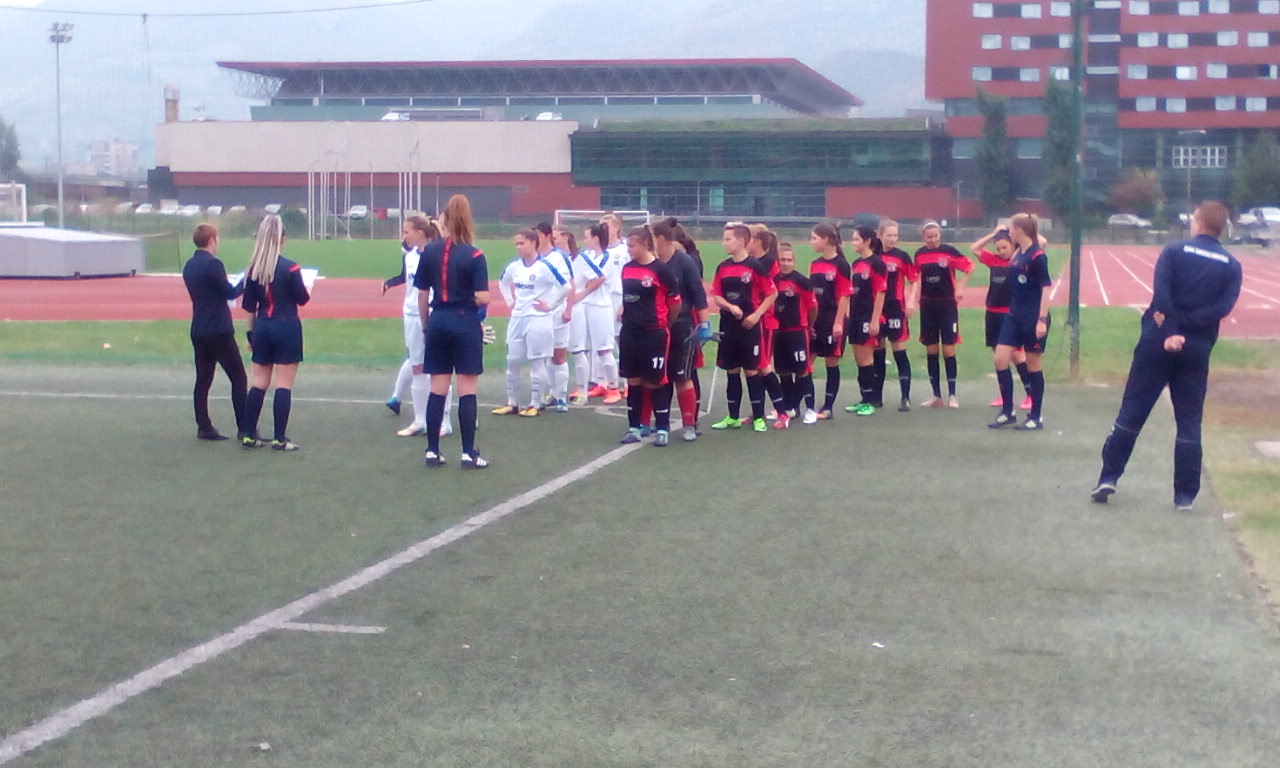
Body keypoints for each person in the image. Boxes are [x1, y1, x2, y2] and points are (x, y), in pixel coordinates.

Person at [1091, 201, 1242, 511]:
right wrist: (1189, 328)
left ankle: (1109, 476)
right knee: (1189, 422)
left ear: (1199, 222)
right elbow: (1222, 308)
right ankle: (1185, 495)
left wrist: (1172, 329)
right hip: (1197, 347)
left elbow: (1162, 294)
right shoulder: (1232, 265)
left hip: (1158, 339)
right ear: (1222, 228)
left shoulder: (1174, 251)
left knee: (1132, 411)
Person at [413, 193, 492, 469]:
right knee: (467, 388)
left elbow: (422, 294)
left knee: (438, 388)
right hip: (464, 321)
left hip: (438, 321)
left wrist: (426, 325)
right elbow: (484, 297)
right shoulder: (475, 254)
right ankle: (468, 453)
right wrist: (469, 297)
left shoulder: (429, 252)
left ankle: (432, 450)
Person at [240, 214, 310, 451]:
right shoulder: (290, 267)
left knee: (259, 382)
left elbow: (249, 307)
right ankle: (279, 438)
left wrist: (250, 334)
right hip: (286, 326)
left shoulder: (253, 269)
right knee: (283, 384)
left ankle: (249, 434)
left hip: (262, 327)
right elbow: (302, 298)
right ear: (282, 239)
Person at [382, 216, 454, 438]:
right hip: (411, 316)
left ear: (421, 233)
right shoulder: (410, 256)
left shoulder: (436, 254)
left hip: (434, 314)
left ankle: (445, 422)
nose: (404, 236)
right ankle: (420, 420)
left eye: (407, 232)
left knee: (439, 370)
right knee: (417, 369)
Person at [181, 222, 248, 441]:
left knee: (203, 380)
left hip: (199, 327)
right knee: (238, 377)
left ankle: (204, 426)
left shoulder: (189, 265)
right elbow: (230, 292)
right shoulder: (214, 264)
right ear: (211, 240)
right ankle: (244, 427)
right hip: (219, 329)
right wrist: (246, 281)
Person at [709, 223, 778, 432]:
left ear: (740, 241)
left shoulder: (755, 266)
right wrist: (730, 307)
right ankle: (733, 417)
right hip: (728, 327)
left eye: (728, 239)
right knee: (732, 371)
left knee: (751, 371)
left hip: (749, 328)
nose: (723, 243)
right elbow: (716, 295)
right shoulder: (723, 267)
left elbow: (772, 293)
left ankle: (758, 417)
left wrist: (757, 315)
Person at [617, 225, 682, 446]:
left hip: (654, 334)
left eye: (632, 245)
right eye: (627, 245)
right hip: (629, 332)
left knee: (655, 382)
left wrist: (664, 324)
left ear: (645, 244)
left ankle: (662, 428)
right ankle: (634, 428)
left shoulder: (661, 270)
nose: (629, 250)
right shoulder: (626, 269)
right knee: (633, 381)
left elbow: (675, 303)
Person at [988, 214, 1053, 431]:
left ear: (1020, 230)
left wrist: (1041, 320)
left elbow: (1045, 288)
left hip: (1033, 317)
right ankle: (1008, 411)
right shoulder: (1018, 252)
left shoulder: (1037, 255)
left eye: (1011, 228)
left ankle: (1036, 416)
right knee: (1000, 358)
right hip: (1013, 315)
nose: (1009, 232)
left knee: (1033, 364)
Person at [494, 229, 568, 418]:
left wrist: (550, 305)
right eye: (516, 244)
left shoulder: (545, 266)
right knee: (513, 360)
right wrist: (510, 301)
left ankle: (536, 402)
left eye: (522, 243)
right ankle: (512, 402)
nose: (518, 247)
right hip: (518, 318)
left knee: (537, 361)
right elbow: (503, 282)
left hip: (538, 319)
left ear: (533, 243)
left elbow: (565, 286)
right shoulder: (514, 266)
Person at [653, 219, 711, 441]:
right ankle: (661, 423)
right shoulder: (652, 262)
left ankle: (690, 424)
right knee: (660, 376)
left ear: (660, 238)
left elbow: (698, 294)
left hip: (682, 326)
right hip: (657, 328)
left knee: (683, 376)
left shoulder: (685, 262)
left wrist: (704, 324)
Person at [971, 226, 1034, 413]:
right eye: (998, 248)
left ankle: (1030, 394)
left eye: (1005, 247)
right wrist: (993, 234)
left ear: (1013, 245)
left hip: (1010, 314)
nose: (1001, 251)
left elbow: (1039, 244)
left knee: (1017, 355)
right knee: (998, 356)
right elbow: (974, 248)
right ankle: (1005, 395)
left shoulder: (1018, 261)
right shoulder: (993, 260)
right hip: (992, 312)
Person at [914, 220, 972, 408]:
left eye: (935, 236)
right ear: (923, 237)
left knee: (948, 349)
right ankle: (936, 395)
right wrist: (916, 296)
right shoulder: (920, 254)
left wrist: (960, 287)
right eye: (929, 237)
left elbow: (969, 267)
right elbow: (916, 277)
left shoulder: (949, 251)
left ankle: (952, 394)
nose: (932, 240)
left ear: (940, 234)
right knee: (931, 349)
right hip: (927, 306)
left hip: (947, 305)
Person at [807, 222, 853, 421]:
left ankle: (828, 407)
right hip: (816, 319)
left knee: (831, 362)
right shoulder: (815, 264)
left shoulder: (841, 265)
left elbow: (844, 295)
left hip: (832, 317)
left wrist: (838, 322)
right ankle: (806, 405)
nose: (811, 242)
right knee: (806, 363)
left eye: (814, 238)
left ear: (826, 240)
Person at [770, 242, 817, 428]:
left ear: (794, 262)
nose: (785, 263)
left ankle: (810, 409)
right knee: (783, 372)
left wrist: (809, 326)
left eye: (789, 260)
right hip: (778, 333)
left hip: (797, 331)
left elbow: (813, 307)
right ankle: (789, 408)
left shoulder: (802, 281)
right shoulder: (773, 280)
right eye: (782, 259)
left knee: (803, 370)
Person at [576, 224, 623, 405]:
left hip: (601, 306)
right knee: (586, 348)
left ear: (596, 238)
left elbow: (596, 279)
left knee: (604, 348)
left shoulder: (607, 257)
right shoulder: (587, 256)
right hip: (585, 305)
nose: (585, 240)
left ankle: (614, 388)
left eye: (587, 237)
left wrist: (584, 290)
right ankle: (597, 384)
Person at [844, 225, 888, 416]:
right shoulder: (856, 264)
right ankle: (864, 399)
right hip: (855, 316)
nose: (853, 243)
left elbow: (880, 293)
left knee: (866, 359)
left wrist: (875, 320)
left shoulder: (877, 263)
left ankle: (870, 401)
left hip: (868, 316)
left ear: (867, 241)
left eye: (856, 239)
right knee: (859, 360)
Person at [875, 218, 919, 412]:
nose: (892, 239)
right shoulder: (873, 255)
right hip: (877, 310)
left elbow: (914, 279)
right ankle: (876, 397)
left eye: (895, 235)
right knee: (878, 352)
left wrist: (911, 301)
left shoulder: (902, 256)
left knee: (899, 352)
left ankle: (905, 397)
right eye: (889, 235)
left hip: (895, 308)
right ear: (880, 235)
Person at [536, 221, 574, 412]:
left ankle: (561, 397)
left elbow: (570, 284)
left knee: (559, 356)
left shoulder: (559, 257)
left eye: (538, 235)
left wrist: (569, 309)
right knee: (542, 356)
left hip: (558, 312)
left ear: (546, 235)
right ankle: (547, 394)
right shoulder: (533, 257)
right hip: (539, 315)